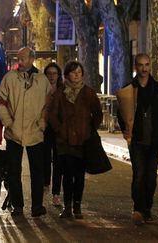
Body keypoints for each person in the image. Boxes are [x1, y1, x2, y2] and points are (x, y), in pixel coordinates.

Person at [117, 54, 158, 225]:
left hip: (155, 140)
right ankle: (138, 208)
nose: (144, 68)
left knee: (151, 176)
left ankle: (147, 206)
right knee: (139, 174)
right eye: (141, 65)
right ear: (135, 66)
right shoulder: (128, 90)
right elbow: (121, 114)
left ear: (150, 66)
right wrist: (126, 131)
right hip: (137, 141)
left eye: (147, 65)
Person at [0, 47, 51, 217]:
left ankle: (37, 205)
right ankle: (18, 204)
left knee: (37, 170)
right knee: (13, 170)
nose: (20, 62)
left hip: (35, 130)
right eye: (18, 58)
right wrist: (8, 122)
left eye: (23, 58)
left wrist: (42, 122)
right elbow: (0, 101)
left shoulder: (42, 80)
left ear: (32, 59)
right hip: (14, 131)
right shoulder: (10, 77)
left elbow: (48, 104)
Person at [47, 61, 103, 219]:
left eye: (79, 72)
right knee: (67, 174)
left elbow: (97, 114)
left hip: (83, 140)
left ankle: (77, 205)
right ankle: (68, 206)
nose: (77, 75)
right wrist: (59, 129)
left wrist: (90, 129)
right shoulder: (60, 93)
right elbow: (52, 114)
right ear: (67, 75)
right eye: (73, 72)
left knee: (79, 175)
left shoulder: (88, 93)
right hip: (64, 141)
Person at [43, 63, 64, 206]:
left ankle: (56, 193)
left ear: (58, 75)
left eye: (54, 73)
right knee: (44, 159)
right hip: (44, 128)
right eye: (49, 73)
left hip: (59, 129)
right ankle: (45, 185)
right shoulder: (40, 89)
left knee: (58, 162)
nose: (51, 76)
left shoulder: (63, 91)